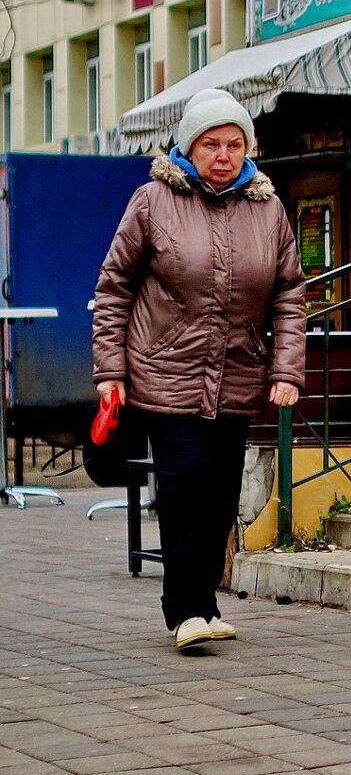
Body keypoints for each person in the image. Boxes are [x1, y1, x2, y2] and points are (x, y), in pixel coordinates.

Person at [92, 89, 306, 649]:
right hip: (165, 370)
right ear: (188, 146)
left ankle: (205, 604)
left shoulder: (269, 210)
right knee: (185, 486)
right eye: (211, 143)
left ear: (248, 150)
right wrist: (109, 372)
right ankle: (183, 609)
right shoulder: (151, 202)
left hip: (238, 374)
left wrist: (286, 370)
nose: (223, 154)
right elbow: (114, 290)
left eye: (235, 144)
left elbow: (288, 295)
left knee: (218, 494)